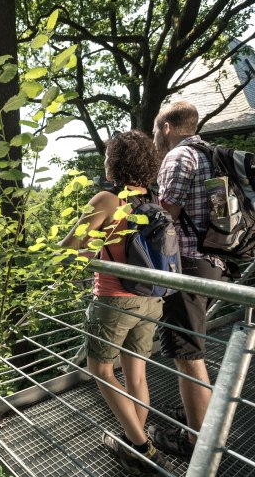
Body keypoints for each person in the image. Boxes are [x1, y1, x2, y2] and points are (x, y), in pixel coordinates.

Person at [59, 130, 173, 475]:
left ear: (114, 162)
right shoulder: (151, 198)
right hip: (151, 299)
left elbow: (68, 249)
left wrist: (90, 248)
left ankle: (142, 449)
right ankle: (133, 443)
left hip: (114, 299)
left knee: (101, 370)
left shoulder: (107, 199)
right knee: (136, 374)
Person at [148, 101, 225, 459]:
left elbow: (165, 216)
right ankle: (199, 413)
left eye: (154, 132)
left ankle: (196, 442)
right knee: (191, 346)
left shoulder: (179, 157)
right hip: (215, 261)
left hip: (189, 266)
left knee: (187, 354)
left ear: (166, 127)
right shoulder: (211, 153)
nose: (154, 140)